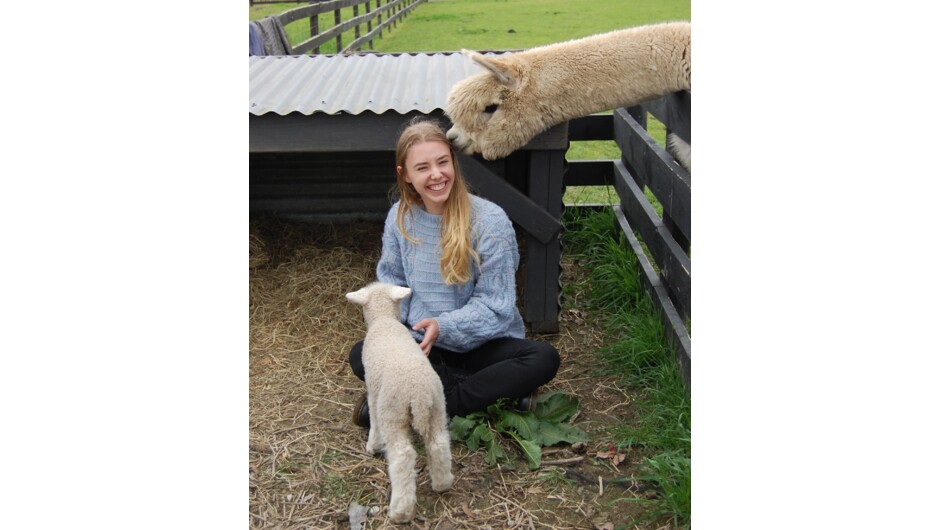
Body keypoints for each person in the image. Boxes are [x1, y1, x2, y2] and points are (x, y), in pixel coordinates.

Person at [348, 118, 560, 427]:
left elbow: (496, 305)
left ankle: (428, 405)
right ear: (405, 175)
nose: (436, 175)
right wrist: (401, 334)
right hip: (424, 344)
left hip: (484, 343)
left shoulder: (490, 221)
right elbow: (391, 284)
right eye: (422, 168)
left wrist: (443, 325)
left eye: (442, 162)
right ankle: (485, 395)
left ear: (454, 163)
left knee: (542, 358)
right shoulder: (399, 218)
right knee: (360, 354)